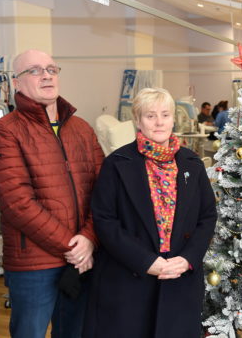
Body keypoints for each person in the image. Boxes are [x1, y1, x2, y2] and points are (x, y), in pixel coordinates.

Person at [0, 49, 104, 338]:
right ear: (17, 82)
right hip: (34, 263)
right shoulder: (5, 131)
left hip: (83, 259)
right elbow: (17, 203)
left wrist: (89, 238)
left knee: (75, 332)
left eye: (51, 68)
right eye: (35, 70)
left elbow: (104, 190)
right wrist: (73, 246)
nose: (47, 74)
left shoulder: (81, 128)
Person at [83, 87, 218, 337]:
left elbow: (207, 216)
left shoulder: (192, 164)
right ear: (137, 120)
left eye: (165, 115)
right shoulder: (116, 164)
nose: (159, 122)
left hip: (180, 277)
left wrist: (188, 258)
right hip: (130, 278)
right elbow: (105, 220)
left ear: (173, 119)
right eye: (150, 115)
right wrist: (146, 262)